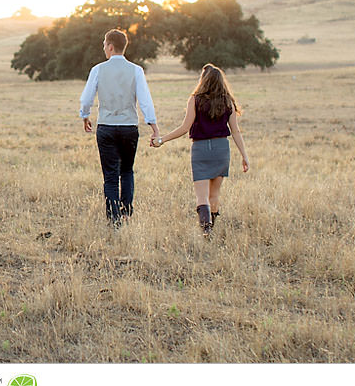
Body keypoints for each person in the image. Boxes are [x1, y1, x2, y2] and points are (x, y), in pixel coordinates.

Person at [150, 63, 249, 237]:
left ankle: (206, 231)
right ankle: (211, 228)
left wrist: (161, 140)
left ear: (203, 80)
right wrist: (244, 156)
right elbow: (235, 131)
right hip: (221, 149)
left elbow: (184, 127)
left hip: (201, 149)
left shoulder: (195, 100)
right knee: (214, 195)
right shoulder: (228, 102)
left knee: (202, 197)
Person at [80, 29, 159, 225]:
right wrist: (154, 127)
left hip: (106, 127)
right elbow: (145, 101)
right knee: (127, 171)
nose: (104, 49)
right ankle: (126, 213)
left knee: (110, 176)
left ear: (110, 46)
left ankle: (113, 218)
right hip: (128, 127)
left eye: (104, 45)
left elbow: (86, 98)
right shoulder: (136, 70)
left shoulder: (98, 69)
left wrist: (85, 115)